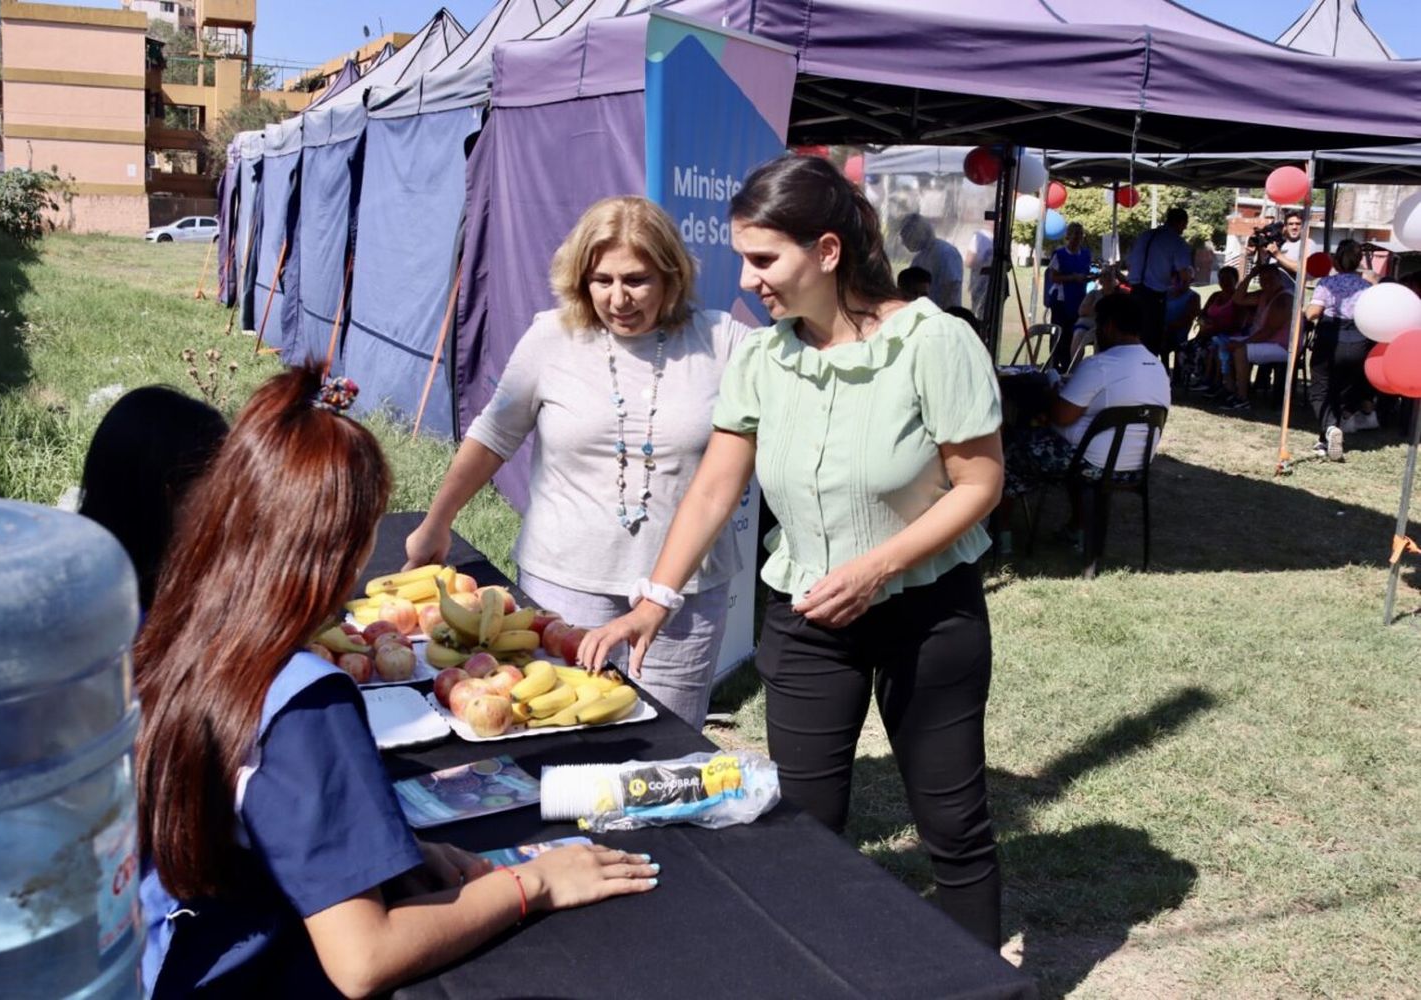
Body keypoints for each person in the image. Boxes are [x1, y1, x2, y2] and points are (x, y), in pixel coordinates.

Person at [579, 155, 1005, 949]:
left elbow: (978, 484)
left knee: (951, 822)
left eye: (764, 259)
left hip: (927, 616)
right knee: (805, 825)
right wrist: (653, 600)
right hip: (808, 616)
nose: (747, 280)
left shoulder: (933, 342)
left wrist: (879, 567)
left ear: (830, 252)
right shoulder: (764, 357)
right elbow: (714, 488)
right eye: (744, 257)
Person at [135, 368, 658, 998]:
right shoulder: (303, 700)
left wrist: (386, 851)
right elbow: (362, 960)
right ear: (346, 546)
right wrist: (533, 883)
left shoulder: (175, 628)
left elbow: (255, 814)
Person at [403, 196, 747, 729]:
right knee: (562, 737)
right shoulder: (552, 337)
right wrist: (437, 521)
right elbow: (494, 435)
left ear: (672, 276)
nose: (618, 298)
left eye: (637, 279)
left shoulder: (722, 341)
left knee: (666, 748)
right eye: (601, 280)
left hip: (684, 598)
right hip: (565, 585)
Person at [1001, 294, 1170, 539]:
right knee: (1074, 448)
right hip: (1135, 467)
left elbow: (1061, 416)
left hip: (1091, 464)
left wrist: (1052, 392)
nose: (1096, 331)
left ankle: (1001, 533)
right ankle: (1077, 528)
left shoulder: (1100, 364)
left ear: (1109, 325)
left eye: (1097, 325)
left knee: (1011, 450)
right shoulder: (1157, 367)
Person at [78, 385, 228, 614]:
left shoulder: (69, 586)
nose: (229, 504)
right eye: (219, 485)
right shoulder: (170, 617)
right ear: (171, 495)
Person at [1305, 239, 1378, 461]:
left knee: (1320, 390)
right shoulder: (1367, 287)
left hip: (1330, 340)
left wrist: (1306, 310)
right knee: (1340, 392)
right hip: (1358, 343)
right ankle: (1325, 439)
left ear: (1336, 259)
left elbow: (1313, 313)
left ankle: (1329, 428)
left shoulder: (1328, 283)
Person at [1215, 263, 1294, 412]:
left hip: (1282, 346)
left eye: (1271, 278)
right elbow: (1237, 299)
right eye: (1263, 278)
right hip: (1265, 341)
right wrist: (1251, 275)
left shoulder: (1284, 299)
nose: (1267, 282)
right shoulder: (1263, 295)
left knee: (1240, 350)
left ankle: (1242, 398)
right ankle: (1230, 388)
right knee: (1224, 342)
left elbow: (1268, 332)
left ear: (1279, 278)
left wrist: (1242, 343)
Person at [1125, 207, 1194, 364]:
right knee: (1151, 340)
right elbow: (1184, 274)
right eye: (1184, 225)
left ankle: (1131, 370)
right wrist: (1188, 276)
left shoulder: (1145, 235)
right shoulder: (1176, 242)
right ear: (1181, 223)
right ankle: (1147, 374)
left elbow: (1130, 263)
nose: (1184, 229)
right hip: (1153, 295)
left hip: (1135, 292)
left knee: (1133, 336)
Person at [1187, 266, 1246, 393]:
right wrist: (1204, 322)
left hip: (1227, 334)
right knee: (1188, 346)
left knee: (1212, 347)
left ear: (1235, 280)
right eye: (1221, 279)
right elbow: (1202, 314)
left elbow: (1239, 323)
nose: (1224, 282)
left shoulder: (1238, 298)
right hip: (1207, 333)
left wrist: (1216, 328)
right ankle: (1195, 378)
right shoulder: (1215, 296)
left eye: (1228, 279)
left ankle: (1210, 382)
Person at [1045, 222, 1092, 371]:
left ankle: (1070, 365)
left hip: (1079, 298)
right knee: (1059, 333)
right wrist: (1072, 278)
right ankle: (1055, 363)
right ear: (1068, 236)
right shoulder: (1060, 254)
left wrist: (1089, 277)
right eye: (1075, 234)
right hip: (1061, 299)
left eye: (1080, 234)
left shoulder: (1085, 254)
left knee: (1073, 333)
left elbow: (1086, 273)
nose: (1078, 237)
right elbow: (1053, 277)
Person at [899, 213, 964, 309]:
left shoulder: (946, 253)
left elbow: (951, 288)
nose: (903, 242)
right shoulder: (918, 259)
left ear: (918, 233)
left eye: (905, 236)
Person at [1069, 262, 1129, 363]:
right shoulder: (1094, 294)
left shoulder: (1121, 294)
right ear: (1100, 280)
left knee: (1100, 336)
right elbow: (1082, 311)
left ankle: (1099, 367)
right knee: (1078, 334)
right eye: (1105, 275)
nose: (1108, 278)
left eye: (1111, 275)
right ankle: (1074, 369)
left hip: (1110, 327)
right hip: (1090, 324)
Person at [1254, 210, 1317, 289]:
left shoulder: (1307, 244)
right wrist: (1260, 249)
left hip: (1291, 297)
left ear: (1303, 226)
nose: (1294, 227)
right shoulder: (1278, 244)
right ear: (1285, 227)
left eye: (1298, 224)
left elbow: (1304, 269)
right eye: (1291, 224)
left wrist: (1278, 255)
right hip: (1269, 296)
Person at [965, 225, 995, 314]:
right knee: (979, 312)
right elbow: (969, 262)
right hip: (980, 284)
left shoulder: (1001, 239)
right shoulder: (980, 236)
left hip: (993, 286)